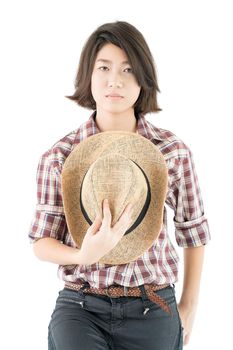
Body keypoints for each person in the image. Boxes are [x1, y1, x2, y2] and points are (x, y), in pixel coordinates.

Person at [28, 21, 211, 350]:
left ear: (144, 78)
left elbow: (193, 231)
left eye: (128, 70)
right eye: (104, 68)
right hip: (81, 306)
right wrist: (83, 255)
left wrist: (189, 306)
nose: (115, 81)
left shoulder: (172, 152)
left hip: (153, 305)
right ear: (89, 75)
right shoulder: (59, 156)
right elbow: (42, 242)